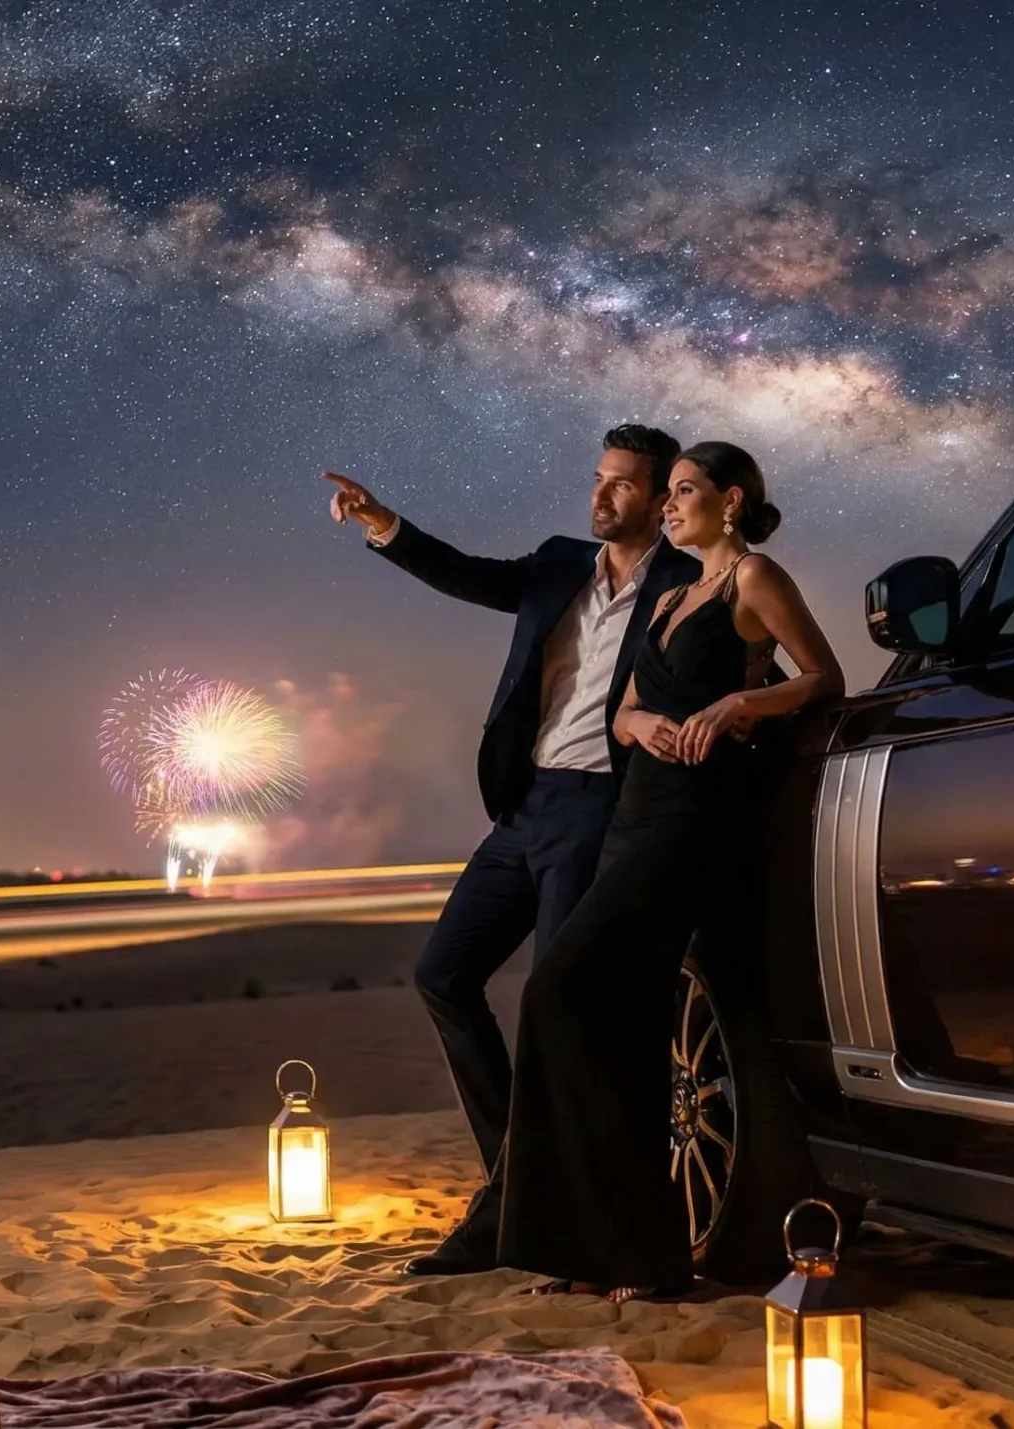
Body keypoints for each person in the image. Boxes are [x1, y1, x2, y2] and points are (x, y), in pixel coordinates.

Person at [323, 425, 701, 1275]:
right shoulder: (559, 559)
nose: (601, 496)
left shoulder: (684, 583)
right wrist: (384, 524)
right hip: (524, 805)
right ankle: (514, 1180)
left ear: (660, 498)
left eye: (624, 486)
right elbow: (469, 576)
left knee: (555, 1013)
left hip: (603, 809)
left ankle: (522, 1216)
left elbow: (741, 659)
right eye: (598, 479)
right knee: (442, 974)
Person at [495, 440, 843, 1301]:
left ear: (730, 500)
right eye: (670, 492)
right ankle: (613, 1254)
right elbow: (620, 714)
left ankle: (622, 1248)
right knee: (619, 1027)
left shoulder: (750, 580)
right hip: (634, 812)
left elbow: (824, 678)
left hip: (691, 821)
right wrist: (642, 725)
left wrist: (737, 703)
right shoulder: (672, 596)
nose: (670, 506)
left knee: (557, 992)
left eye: (684, 491)